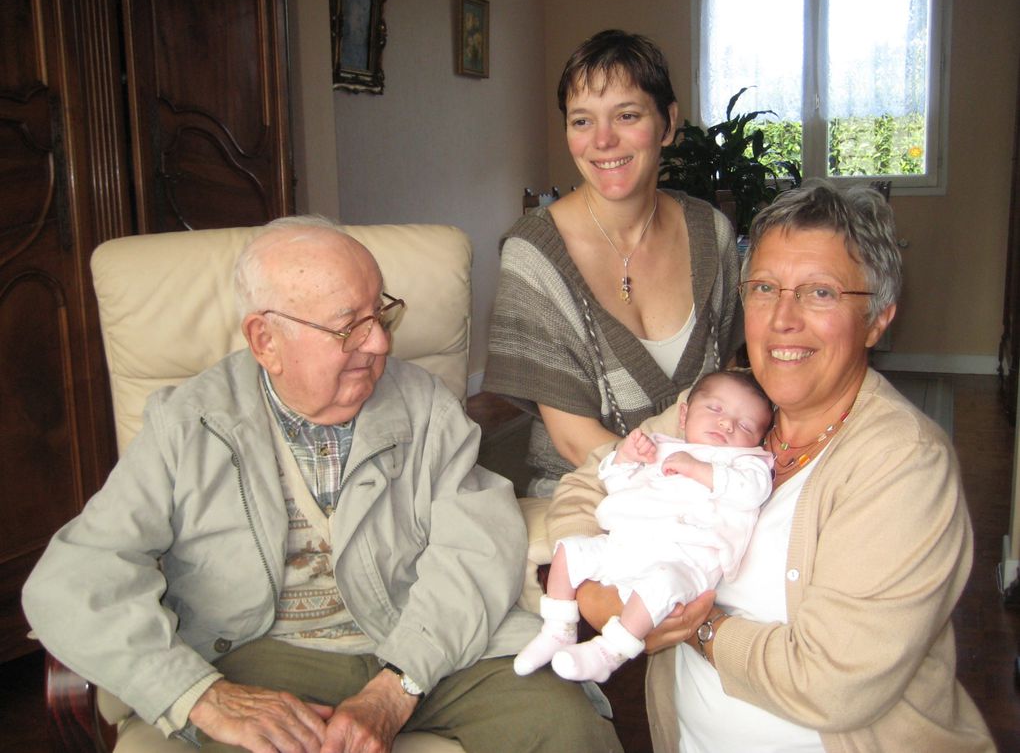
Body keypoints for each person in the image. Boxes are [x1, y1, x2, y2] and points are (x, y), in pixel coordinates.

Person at [22, 216, 623, 753]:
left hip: (421, 642)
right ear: (266, 341)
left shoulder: (428, 409)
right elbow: (72, 579)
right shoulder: (189, 422)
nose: (381, 342)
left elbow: (477, 547)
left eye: (380, 314)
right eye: (348, 329)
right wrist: (201, 695)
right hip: (258, 658)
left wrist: (399, 684)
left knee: (565, 728)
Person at [547, 182, 995, 751]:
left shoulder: (904, 465)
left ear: (878, 319)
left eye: (820, 293)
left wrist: (693, 624)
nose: (782, 318)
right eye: (764, 288)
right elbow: (587, 479)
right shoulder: (725, 411)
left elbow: (832, 685)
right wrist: (589, 591)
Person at [484, 29, 742, 497]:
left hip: (706, 493)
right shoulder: (534, 256)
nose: (603, 140)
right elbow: (570, 438)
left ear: (666, 123)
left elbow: (727, 381)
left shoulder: (713, 236)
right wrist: (674, 489)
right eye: (582, 121)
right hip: (589, 496)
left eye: (626, 115)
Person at [515, 370, 773, 683]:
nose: (726, 424)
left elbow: (752, 490)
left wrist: (699, 469)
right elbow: (617, 487)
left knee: (661, 587)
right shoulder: (660, 445)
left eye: (745, 425)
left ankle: (609, 652)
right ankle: (557, 629)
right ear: (684, 413)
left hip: (682, 559)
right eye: (715, 410)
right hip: (625, 544)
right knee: (569, 551)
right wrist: (624, 458)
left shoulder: (745, 462)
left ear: (759, 439)